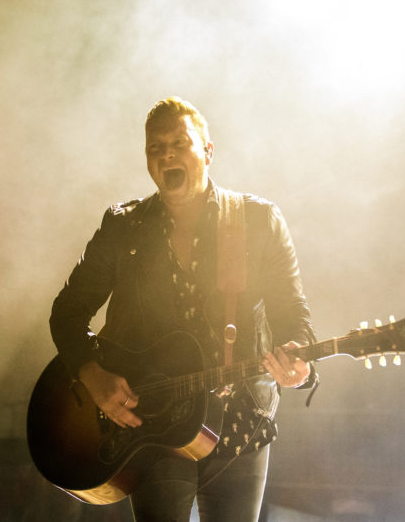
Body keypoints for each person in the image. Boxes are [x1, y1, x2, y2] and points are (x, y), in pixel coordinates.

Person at [49, 97, 318, 521]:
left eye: (179, 142)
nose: (167, 154)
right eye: (155, 147)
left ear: (207, 151)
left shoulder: (257, 221)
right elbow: (67, 311)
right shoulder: (123, 227)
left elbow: (293, 312)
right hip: (155, 423)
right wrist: (92, 374)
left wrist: (298, 359)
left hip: (239, 421)